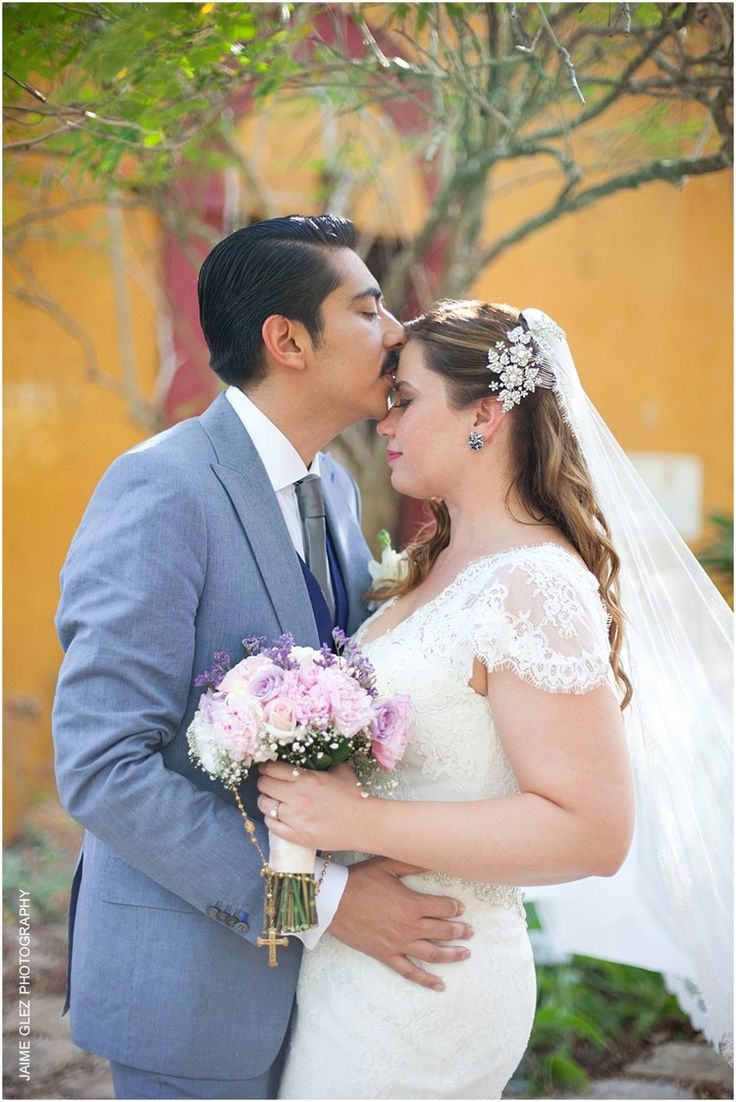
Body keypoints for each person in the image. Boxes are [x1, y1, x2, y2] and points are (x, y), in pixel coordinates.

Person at [258, 300, 733, 1099]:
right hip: (353, 962)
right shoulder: (433, 564)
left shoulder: (535, 585)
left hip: (430, 976)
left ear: (484, 413)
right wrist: (305, 895)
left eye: (406, 398)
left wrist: (356, 823)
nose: (385, 420)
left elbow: (593, 830)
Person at [52, 216, 474, 1101]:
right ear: (287, 340)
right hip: (193, 989)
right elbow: (102, 765)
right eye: (367, 310)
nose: (396, 332)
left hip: (334, 1009)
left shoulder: (335, 484)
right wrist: (317, 903)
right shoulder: (162, 488)